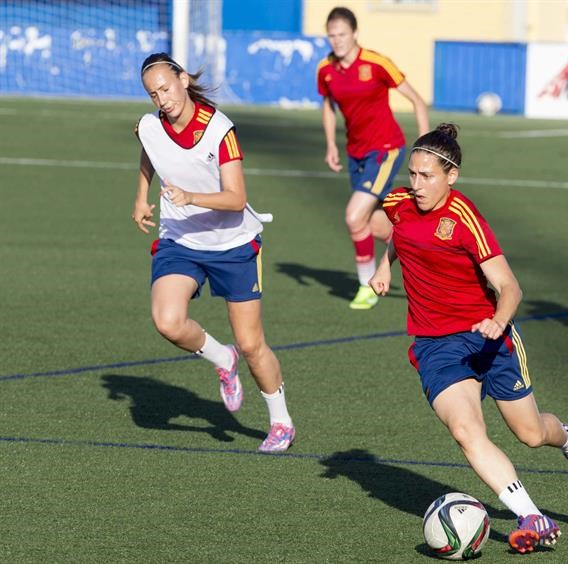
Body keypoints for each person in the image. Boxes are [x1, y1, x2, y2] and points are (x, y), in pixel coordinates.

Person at [370, 124, 568, 553]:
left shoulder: (466, 219)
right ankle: (532, 516)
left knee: (531, 434)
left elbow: (510, 287)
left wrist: (498, 321)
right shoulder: (400, 203)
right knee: (466, 430)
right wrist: (386, 265)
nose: (417, 184)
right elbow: (400, 235)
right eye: (413, 174)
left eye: (427, 176)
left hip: (488, 338)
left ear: (452, 176)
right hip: (436, 346)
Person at [131, 52, 294, 452]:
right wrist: (140, 196)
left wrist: (190, 196)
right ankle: (223, 358)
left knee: (252, 344)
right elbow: (150, 150)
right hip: (180, 240)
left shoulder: (219, 130)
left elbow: (236, 199)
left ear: (183, 80)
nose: (162, 99)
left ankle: (281, 422)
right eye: (153, 94)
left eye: (166, 88)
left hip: (232, 245)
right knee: (167, 322)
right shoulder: (150, 125)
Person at [317, 6, 429, 310]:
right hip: (356, 155)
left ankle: (367, 286)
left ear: (354, 33)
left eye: (342, 34)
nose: (337, 40)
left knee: (354, 215)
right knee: (375, 226)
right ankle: (428, 252)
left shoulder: (377, 63)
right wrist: (331, 144)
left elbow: (417, 101)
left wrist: (424, 147)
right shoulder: (325, 69)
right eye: (331, 35)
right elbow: (328, 106)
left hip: (386, 149)